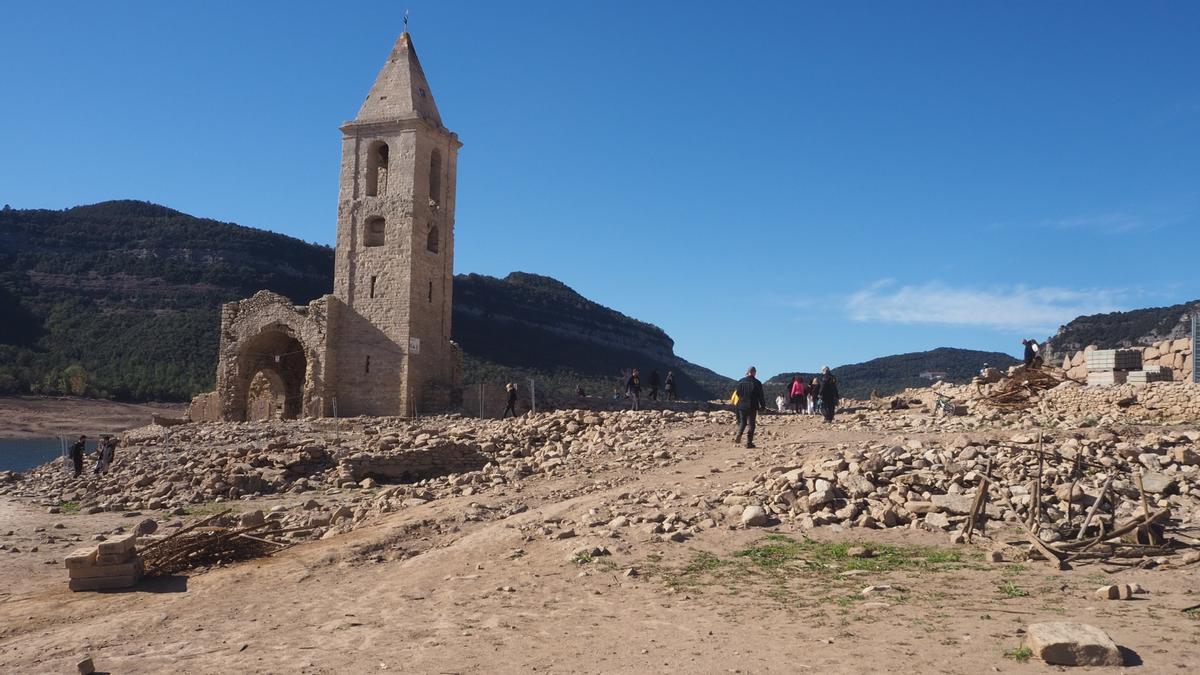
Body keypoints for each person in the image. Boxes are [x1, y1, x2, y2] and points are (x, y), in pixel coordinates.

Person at [733, 366, 767, 448]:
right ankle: (749, 443)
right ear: (754, 372)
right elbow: (760, 396)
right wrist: (763, 406)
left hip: (741, 405)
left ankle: (739, 434)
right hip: (752, 405)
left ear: (747, 372)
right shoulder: (757, 383)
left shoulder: (740, 381)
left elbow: (737, 393)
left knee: (743, 422)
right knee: (752, 425)